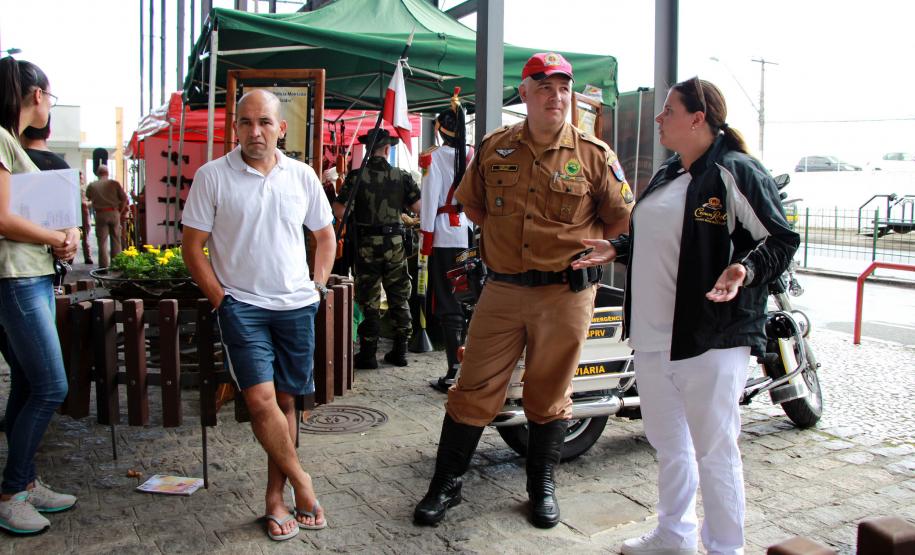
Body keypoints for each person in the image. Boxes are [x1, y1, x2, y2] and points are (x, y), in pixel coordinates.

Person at [571, 78, 800, 555]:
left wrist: (745, 268)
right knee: (668, 443)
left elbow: (779, 240)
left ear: (698, 118)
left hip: (712, 335)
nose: (660, 119)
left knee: (714, 451)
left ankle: (725, 549)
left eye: (669, 111)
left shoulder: (736, 170)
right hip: (653, 335)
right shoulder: (668, 173)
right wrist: (614, 247)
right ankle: (674, 536)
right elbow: (659, 240)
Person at [413, 52, 633, 529]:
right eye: (544, 87)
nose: (556, 96)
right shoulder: (496, 148)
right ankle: (446, 483)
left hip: (565, 294)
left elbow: (619, 218)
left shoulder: (595, 155)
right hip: (504, 290)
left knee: (549, 392)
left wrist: (594, 250)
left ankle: (541, 487)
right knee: (472, 386)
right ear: (526, 94)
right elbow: (473, 205)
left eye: (563, 88)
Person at [182, 89, 335, 542]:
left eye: (265, 122)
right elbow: (193, 248)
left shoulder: (302, 176)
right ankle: (304, 483)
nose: (255, 131)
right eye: (246, 123)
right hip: (243, 306)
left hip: (295, 305)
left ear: (280, 128)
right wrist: (221, 299)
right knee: (261, 401)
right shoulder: (212, 177)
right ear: (235, 128)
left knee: (287, 402)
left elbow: (325, 237)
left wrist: (318, 285)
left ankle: (275, 498)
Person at [0, 56, 78, 535]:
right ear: (35, 95)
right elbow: (3, 218)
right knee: (52, 386)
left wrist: (62, 234)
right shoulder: (2, 140)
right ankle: (11, 492)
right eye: (50, 96)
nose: (50, 104)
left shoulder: (10, 141)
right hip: (17, 278)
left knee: (30, 383)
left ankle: (24, 481)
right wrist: (55, 238)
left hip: (30, 274)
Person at [332, 128, 421, 369]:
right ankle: (400, 351)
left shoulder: (356, 176)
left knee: (368, 297)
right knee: (398, 294)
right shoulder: (402, 176)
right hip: (394, 245)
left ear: (367, 149)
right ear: (387, 149)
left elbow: (340, 211)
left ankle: (368, 354)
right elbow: (419, 207)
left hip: (367, 245)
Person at [418, 96, 473, 393]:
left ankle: (454, 369)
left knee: (449, 302)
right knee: (467, 297)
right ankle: (466, 366)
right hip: (468, 231)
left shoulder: (434, 157)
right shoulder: (473, 154)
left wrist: (425, 237)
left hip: (442, 234)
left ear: (441, 130)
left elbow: (429, 200)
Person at [21, 118, 93, 264]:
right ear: (48, 132)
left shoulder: (19, 162)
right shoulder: (64, 167)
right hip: (58, 254)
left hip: (24, 258)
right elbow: (72, 221)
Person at [85, 164, 126, 267]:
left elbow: (88, 197)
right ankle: (116, 265)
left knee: (102, 242)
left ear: (98, 174)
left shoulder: (92, 185)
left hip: (100, 214)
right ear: (107, 173)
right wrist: (120, 211)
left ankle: (103, 266)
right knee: (116, 240)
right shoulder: (114, 184)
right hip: (114, 212)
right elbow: (124, 198)